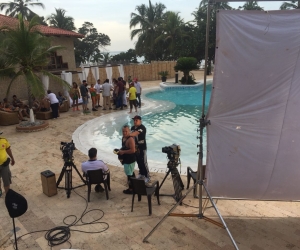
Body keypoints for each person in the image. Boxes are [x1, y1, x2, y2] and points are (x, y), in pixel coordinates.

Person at [130, 115, 150, 183]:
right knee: (138, 161)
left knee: (144, 162)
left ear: (140, 121)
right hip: (136, 148)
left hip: (142, 148)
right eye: (134, 120)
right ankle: (141, 173)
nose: (135, 122)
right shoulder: (132, 127)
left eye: (136, 120)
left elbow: (136, 133)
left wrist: (127, 134)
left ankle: (147, 176)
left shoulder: (142, 128)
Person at [118, 125, 136, 194]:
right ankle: (134, 186)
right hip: (126, 159)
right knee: (130, 173)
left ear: (129, 131)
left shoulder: (130, 139)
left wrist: (123, 152)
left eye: (126, 131)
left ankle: (131, 189)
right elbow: (124, 147)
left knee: (129, 174)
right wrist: (120, 151)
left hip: (130, 159)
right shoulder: (123, 138)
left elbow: (133, 150)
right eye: (123, 131)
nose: (124, 133)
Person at [0, 131, 15, 196]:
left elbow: (8, 149)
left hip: (4, 164)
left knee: (6, 180)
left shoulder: (4, 140)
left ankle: (7, 194)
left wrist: (12, 158)